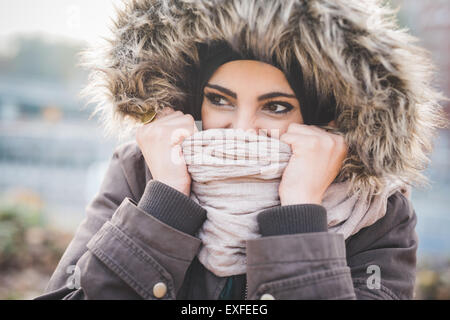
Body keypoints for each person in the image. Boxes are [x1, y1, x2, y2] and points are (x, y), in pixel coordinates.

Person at [36, 0, 446, 300]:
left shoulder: (375, 209)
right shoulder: (141, 170)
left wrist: (300, 212)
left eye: (277, 106)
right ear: (193, 102)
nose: (244, 129)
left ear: (324, 120)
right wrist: (164, 204)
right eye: (220, 100)